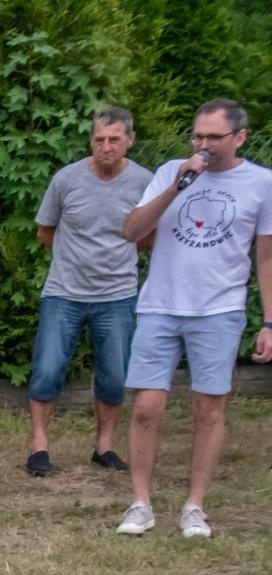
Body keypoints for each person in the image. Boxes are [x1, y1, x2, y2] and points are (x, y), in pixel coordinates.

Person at [115, 98, 272, 537]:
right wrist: (178, 186)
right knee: (146, 406)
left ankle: (194, 506)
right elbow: (131, 231)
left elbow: (266, 258)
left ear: (239, 137)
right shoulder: (171, 172)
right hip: (160, 305)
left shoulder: (262, 183)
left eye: (213, 137)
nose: (203, 144)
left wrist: (269, 322)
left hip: (219, 309)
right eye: (198, 135)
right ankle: (141, 504)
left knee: (209, 408)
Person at [24, 107, 152, 476]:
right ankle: (38, 448)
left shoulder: (145, 182)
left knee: (114, 376)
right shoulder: (67, 179)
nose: (106, 147)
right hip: (64, 293)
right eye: (99, 139)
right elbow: (45, 231)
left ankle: (104, 447)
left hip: (117, 295)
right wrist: (74, 264)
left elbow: (149, 236)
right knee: (47, 370)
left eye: (114, 139)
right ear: (91, 141)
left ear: (130, 140)